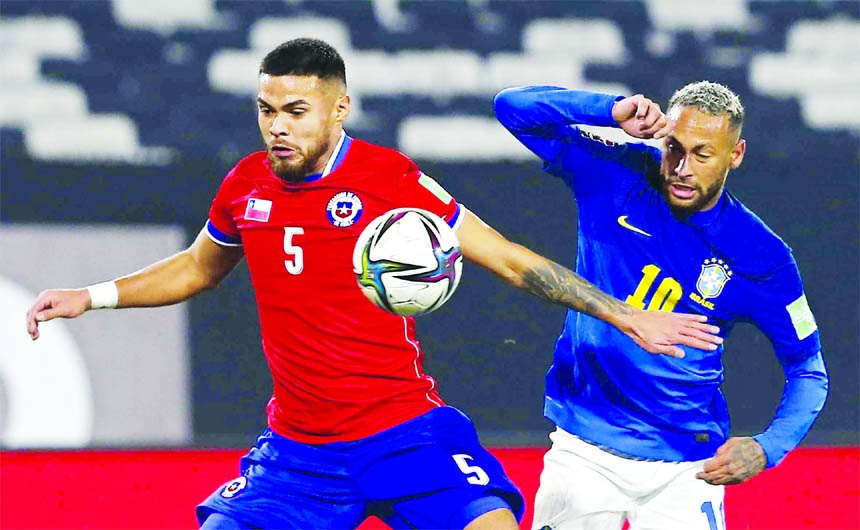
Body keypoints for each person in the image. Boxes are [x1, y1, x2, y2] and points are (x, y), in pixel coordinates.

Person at [25, 39, 722, 530]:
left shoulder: (390, 180)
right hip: (299, 450)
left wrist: (629, 318)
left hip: (403, 433)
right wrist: (96, 296)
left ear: (338, 109)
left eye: (295, 111)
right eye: (267, 110)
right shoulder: (244, 186)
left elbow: (509, 259)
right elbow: (198, 268)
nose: (277, 127)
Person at [493, 82, 830, 530]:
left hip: (688, 467)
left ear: (737, 154)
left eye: (702, 154)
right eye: (674, 148)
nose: (681, 168)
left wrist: (769, 446)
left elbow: (808, 369)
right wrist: (610, 111)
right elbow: (512, 109)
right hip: (584, 451)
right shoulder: (617, 173)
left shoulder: (761, 255)